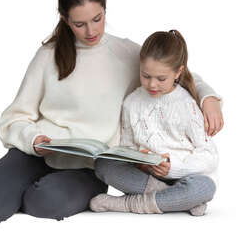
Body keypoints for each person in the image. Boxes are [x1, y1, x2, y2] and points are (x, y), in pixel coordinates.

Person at [0, 0, 223, 222]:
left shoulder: (125, 53)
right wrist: (33, 140)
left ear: (105, 9)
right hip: (38, 153)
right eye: (79, 24)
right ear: (65, 20)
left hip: (90, 166)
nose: (91, 31)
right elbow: (16, 116)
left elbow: (172, 70)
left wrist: (208, 98)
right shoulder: (48, 55)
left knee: (45, 202)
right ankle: (0, 187)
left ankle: (11, 191)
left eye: (97, 19)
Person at [90, 30, 219, 216]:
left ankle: (128, 204)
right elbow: (126, 146)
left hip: (183, 177)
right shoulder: (131, 103)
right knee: (104, 165)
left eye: (161, 79)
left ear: (178, 72)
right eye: (145, 76)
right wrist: (140, 163)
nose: (152, 85)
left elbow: (209, 156)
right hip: (146, 177)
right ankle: (177, 201)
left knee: (205, 187)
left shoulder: (187, 105)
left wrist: (174, 167)